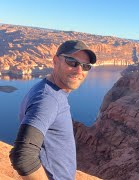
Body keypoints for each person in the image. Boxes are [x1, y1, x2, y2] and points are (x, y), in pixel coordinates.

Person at [10, 40, 97, 180]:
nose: (79, 70)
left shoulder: (50, 90)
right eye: (72, 62)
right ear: (55, 61)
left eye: (86, 66)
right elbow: (23, 156)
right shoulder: (48, 99)